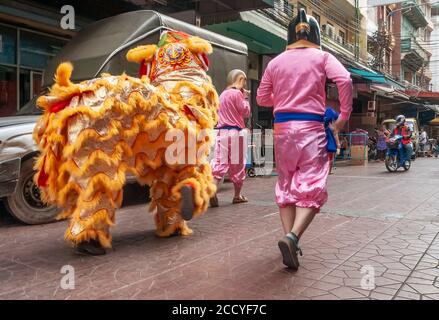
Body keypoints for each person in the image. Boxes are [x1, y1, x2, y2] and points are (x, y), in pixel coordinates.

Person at [256, 8, 353, 270]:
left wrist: (285, 99)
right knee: (312, 184)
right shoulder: (322, 56)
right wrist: (343, 117)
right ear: (316, 35)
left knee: (286, 186)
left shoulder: (275, 62)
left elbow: (261, 99)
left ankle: (290, 243)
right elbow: (344, 79)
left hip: (283, 129)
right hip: (311, 129)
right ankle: (293, 236)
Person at [210, 69, 251, 207]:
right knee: (238, 165)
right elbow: (245, 112)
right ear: (240, 80)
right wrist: (245, 97)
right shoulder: (237, 94)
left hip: (221, 132)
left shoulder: (222, 95)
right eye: (244, 81)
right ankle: (237, 195)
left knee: (220, 163)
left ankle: (212, 190)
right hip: (235, 132)